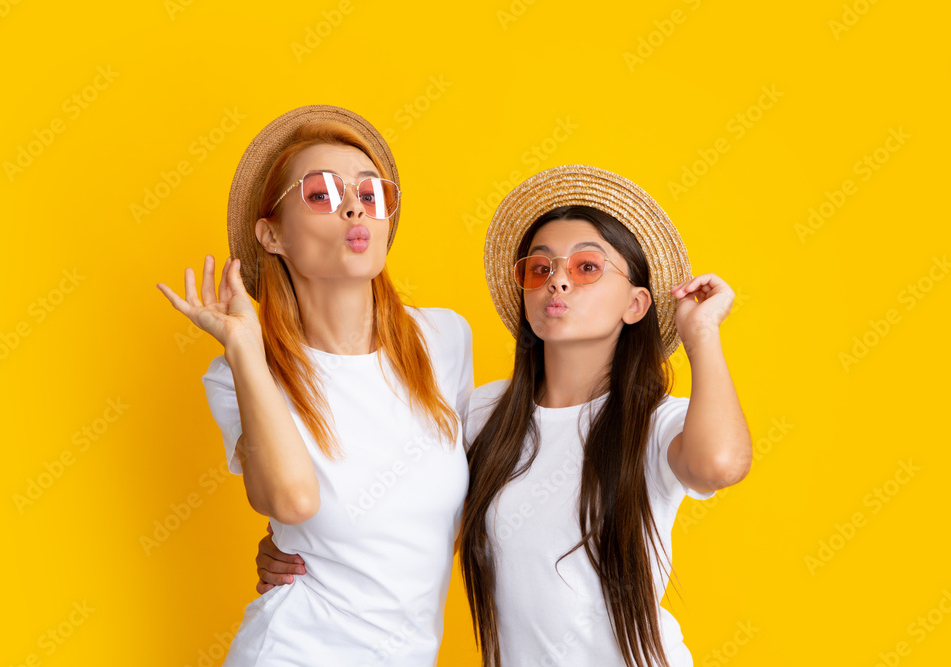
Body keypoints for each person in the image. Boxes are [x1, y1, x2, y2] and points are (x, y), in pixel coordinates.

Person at [255, 164, 751, 667]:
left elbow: (720, 465)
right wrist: (300, 548)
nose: (557, 281)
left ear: (636, 303)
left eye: (586, 268)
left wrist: (702, 335)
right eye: (540, 268)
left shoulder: (652, 422)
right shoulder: (485, 412)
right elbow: (404, 499)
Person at [156, 105, 473, 666]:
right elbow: (292, 500)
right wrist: (247, 349)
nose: (355, 204)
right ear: (271, 234)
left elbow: (457, 514)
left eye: (371, 194)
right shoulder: (240, 371)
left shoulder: (444, 341)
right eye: (322, 193)